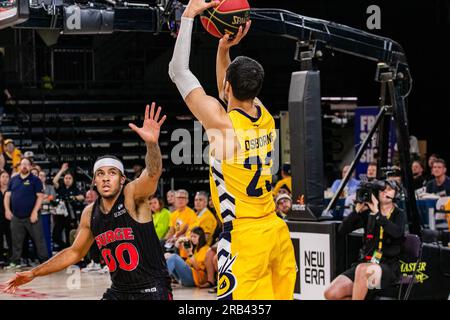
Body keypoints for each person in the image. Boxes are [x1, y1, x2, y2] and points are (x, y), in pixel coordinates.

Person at [169, 0, 296, 299]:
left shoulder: (223, 126)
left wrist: (188, 16)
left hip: (244, 236)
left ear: (227, 88)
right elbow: (231, 89)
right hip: (276, 232)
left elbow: (178, 71)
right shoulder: (264, 115)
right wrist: (223, 49)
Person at [4, 103, 173, 300]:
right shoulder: (90, 213)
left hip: (151, 289)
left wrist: (152, 144)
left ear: (122, 179)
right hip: (119, 291)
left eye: (112, 173)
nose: (106, 178)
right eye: (100, 174)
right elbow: (74, 253)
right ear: (94, 181)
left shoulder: (132, 195)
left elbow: (152, 174)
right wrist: (34, 273)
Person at [324, 180, 406, 300]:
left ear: (396, 194)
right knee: (330, 293)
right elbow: (342, 230)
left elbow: (397, 233)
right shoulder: (368, 214)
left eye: (389, 189)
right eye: (382, 189)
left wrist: (377, 214)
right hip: (365, 263)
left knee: (363, 268)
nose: (384, 192)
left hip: (387, 266)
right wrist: (356, 211)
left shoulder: (399, 214)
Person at [3, 157, 48, 269]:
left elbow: (40, 197)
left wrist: (34, 212)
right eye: (22, 164)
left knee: (39, 240)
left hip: (31, 216)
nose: (24, 166)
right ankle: (15, 261)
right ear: (19, 166)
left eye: (27, 164)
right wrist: (7, 210)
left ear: (30, 166)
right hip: (16, 217)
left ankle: (45, 262)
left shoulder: (35, 180)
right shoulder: (13, 179)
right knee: (16, 241)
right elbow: (7, 196)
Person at [52, 164, 84, 250]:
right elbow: (54, 181)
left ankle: (69, 251)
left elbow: (82, 197)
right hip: (60, 214)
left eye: (70, 178)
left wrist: (74, 197)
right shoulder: (61, 187)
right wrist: (62, 170)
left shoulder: (75, 189)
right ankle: (64, 248)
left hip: (71, 215)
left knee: (69, 235)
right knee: (55, 235)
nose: (68, 180)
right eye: (66, 178)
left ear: (73, 180)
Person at [38, 170, 56, 259]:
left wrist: (42, 198)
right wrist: (45, 197)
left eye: (43, 176)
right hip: (37, 214)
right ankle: (40, 256)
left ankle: (49, 255)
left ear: (45, 178)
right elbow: (34, 199)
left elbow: (52, 198)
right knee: (38, 236)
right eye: (40, 176)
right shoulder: (35, 187)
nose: (41, 177)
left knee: (47, 235)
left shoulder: (50, 187)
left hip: (47, 214)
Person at [0, 170, 11, 265]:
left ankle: (11, 258)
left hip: (9, 218)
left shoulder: (11, 190)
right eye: (3, 176)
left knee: (10, 238)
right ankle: (1, 258)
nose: (5, 179)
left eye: (7, 177)